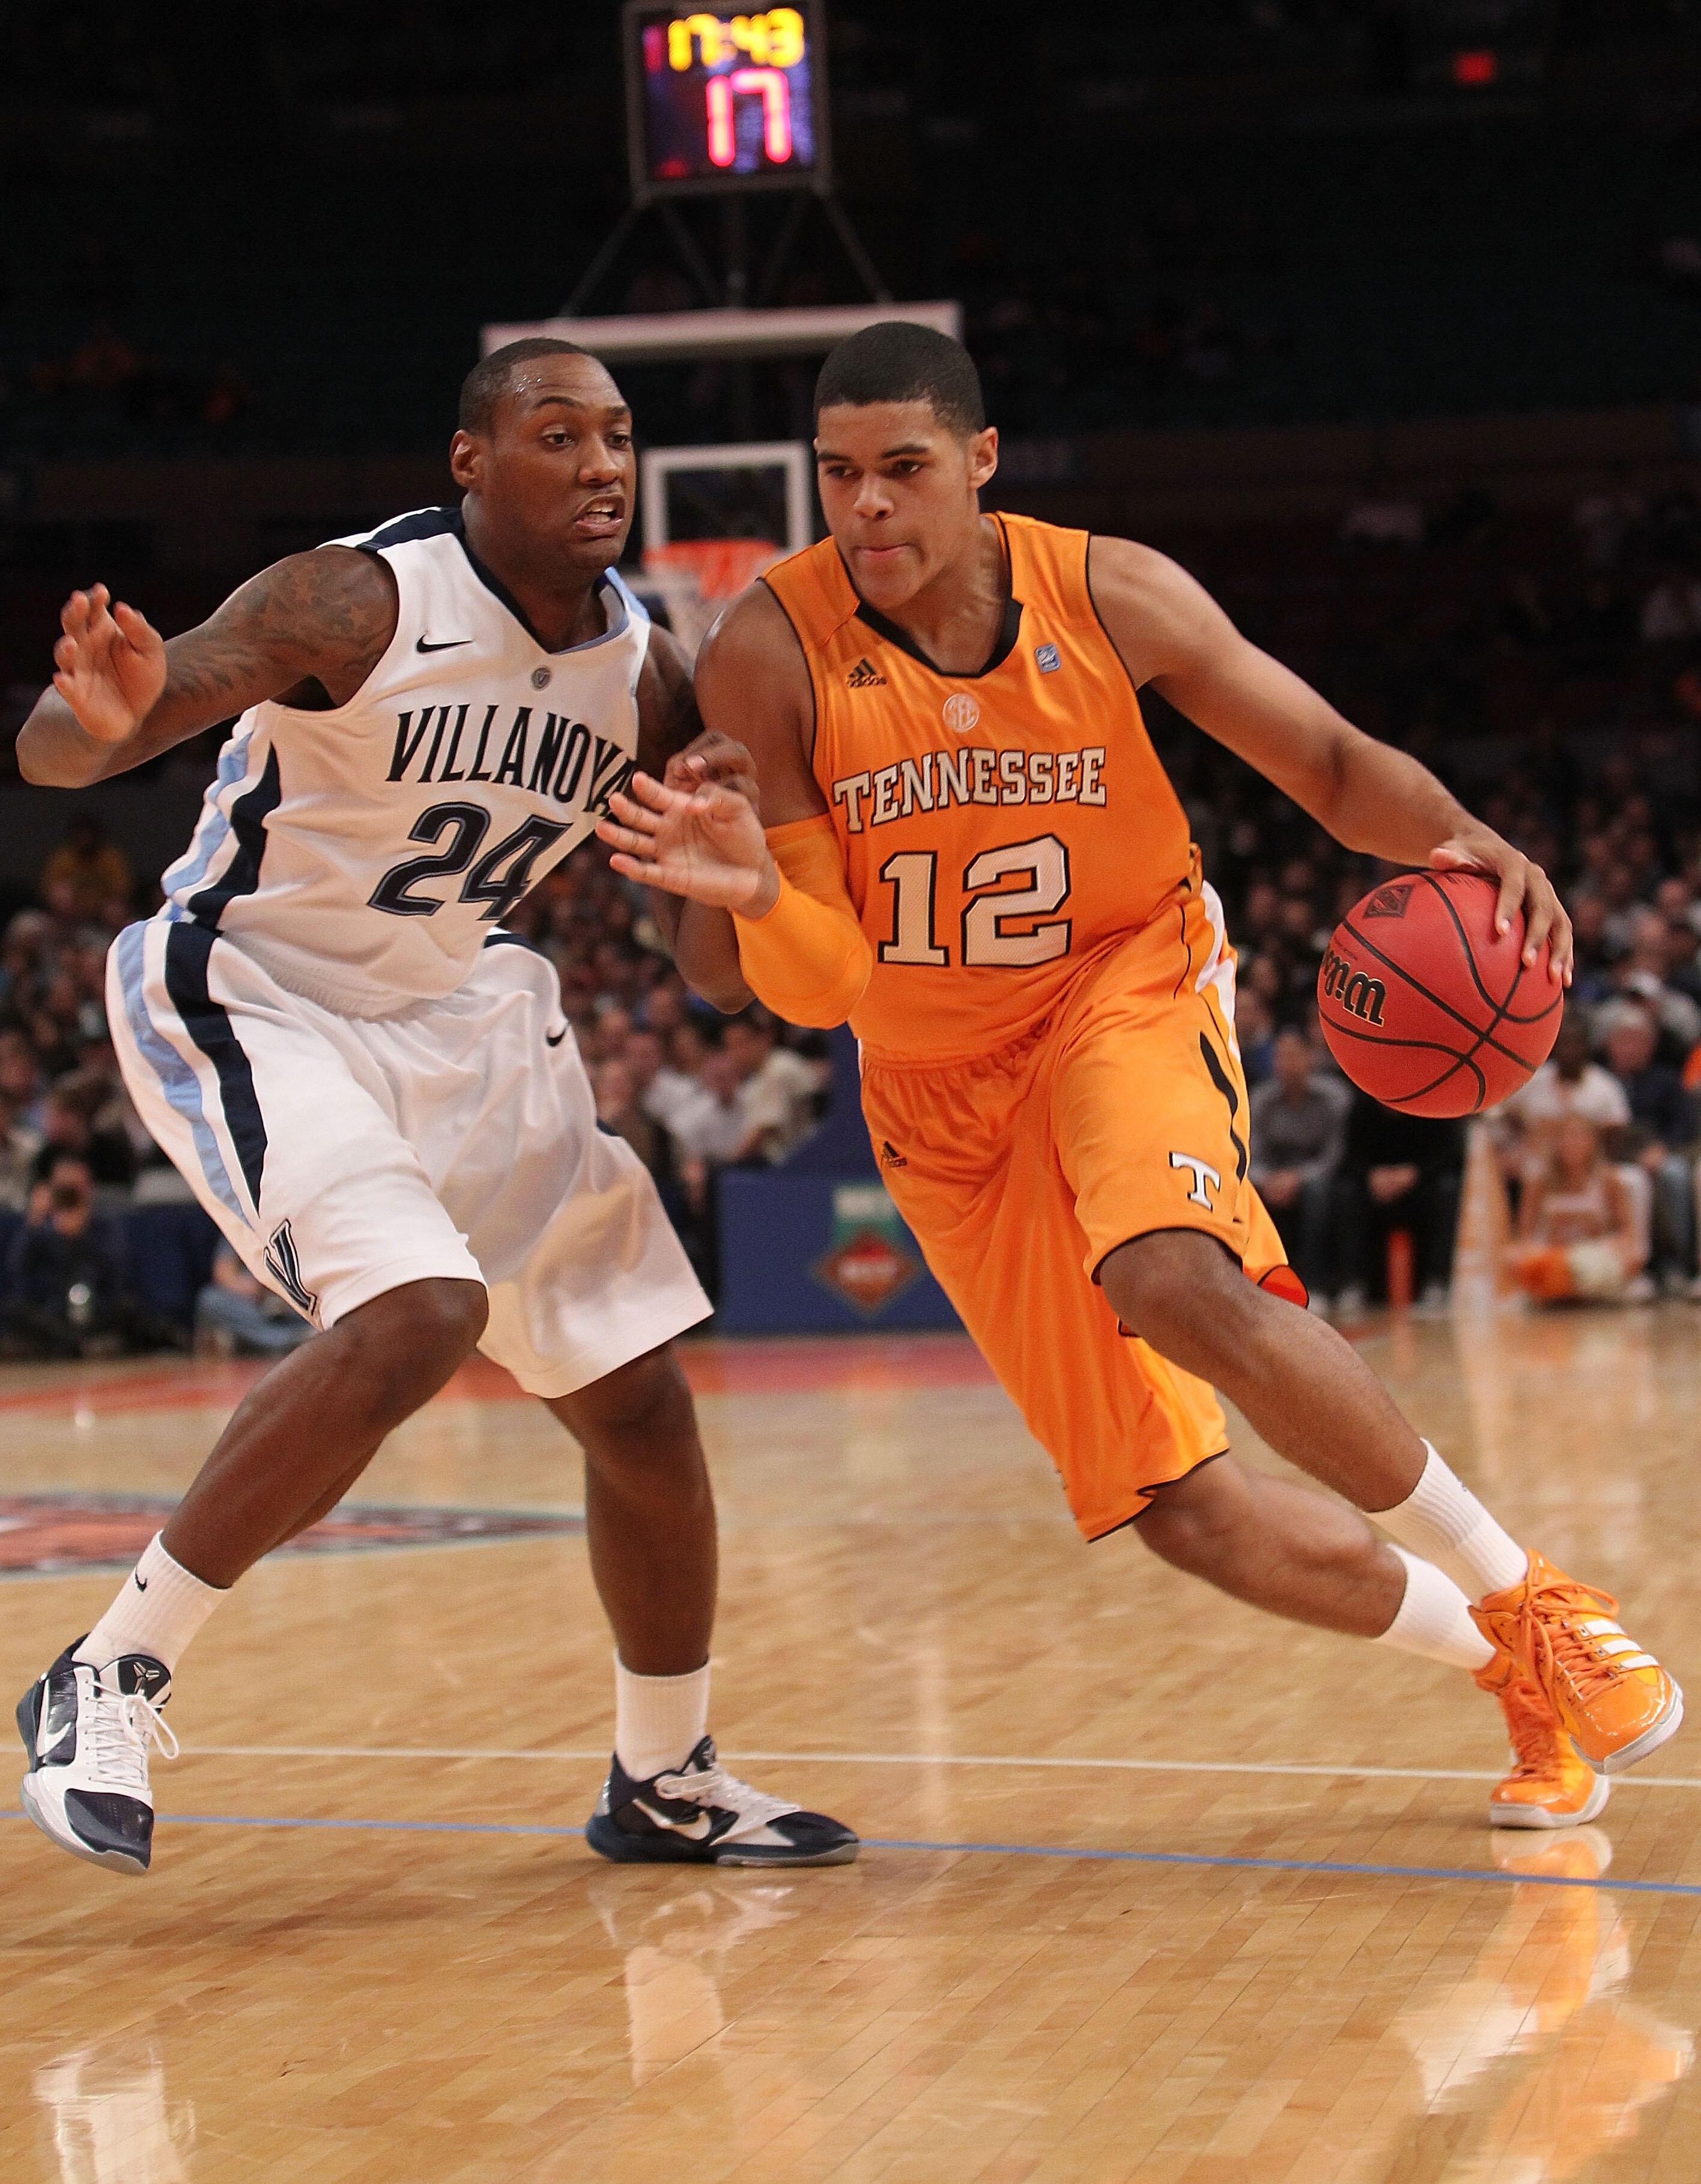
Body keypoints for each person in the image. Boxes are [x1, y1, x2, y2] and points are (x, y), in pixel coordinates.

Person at [600, 320, 1680, 1832]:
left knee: (1165, 1270)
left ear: (979, 465)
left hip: (1123, 981)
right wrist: (753, 900)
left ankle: (1532, 1594)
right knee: (1187, 1515)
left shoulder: (1110, 589)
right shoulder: (769, 648)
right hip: (929, 1081)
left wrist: (1457, 836)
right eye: (841, 476)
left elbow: (1319, 756)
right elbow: (813, 985)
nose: (868, 509)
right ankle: (1505, 1665)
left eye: (903, 470)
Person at [13, 337, 854, 1877]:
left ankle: (662, 1774)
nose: (601, 465)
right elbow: (68, 748)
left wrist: (733, 869)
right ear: (471, 460)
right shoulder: (355, 598)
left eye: (616, 437)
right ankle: (109, 1671)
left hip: (460, 1006)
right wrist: (109, 718)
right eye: (557, 435)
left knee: (639, 1403)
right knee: (416, 1312)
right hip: (260, 988)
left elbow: (714, 974)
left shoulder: (646, 676)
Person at [1331, 1092, 1464, 1316]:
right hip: (1374, 1188)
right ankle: (1352, 1284)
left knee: (1447, 1190)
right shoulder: (1361, 1106)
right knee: (1345, 1194)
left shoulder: (1433, 1100)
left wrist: (1413, 1174)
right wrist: (1371, 1176)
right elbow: (1348, 1157)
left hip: (1421, 1186)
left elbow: (1450, 1156)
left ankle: (1437, 1284)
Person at [1248, 1026, 1347, 1302]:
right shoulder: (1261, 1099)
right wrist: (1267, 1179)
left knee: (1319, 1194)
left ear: (1309, 1058)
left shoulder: (1333, 1097)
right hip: (1271, 1176)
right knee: (1245, 1194)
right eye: (1281, 1057)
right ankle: (1256, 1283)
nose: (1287, 1064)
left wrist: (1297, 1179)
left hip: (1314, 1177)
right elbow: (1251, 1151)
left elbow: (1333, 1155)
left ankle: (1314, 1284)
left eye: (1294, 1056)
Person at [1506, 1115, 1648, 1306]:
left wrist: (1610, 1249)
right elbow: (1524, 1236)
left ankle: (1578, 1291)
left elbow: (1628, 1233)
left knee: (1628, 1258)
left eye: (1579, 1137)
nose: (1572, 1143)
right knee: (1516, 1259)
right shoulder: (1539, 1182)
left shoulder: (1609, 1179)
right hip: (1554, 1254)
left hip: (1596, 1253)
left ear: (1592, 1142)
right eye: (1566, 1137)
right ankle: (1560, 1291)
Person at [194, 1240, 315, 1356]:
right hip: (257, 1303)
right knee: (211, 1300)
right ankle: (291, 1340)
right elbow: (224, 1271)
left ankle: (301, 1339)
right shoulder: (245, 1220)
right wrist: (252, 1288)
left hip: (299, 1298)